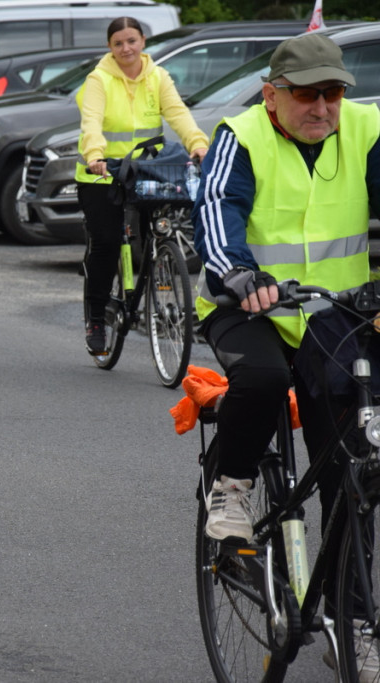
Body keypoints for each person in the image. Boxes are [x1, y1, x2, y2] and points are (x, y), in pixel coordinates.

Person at [194, 33, 380, 672]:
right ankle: (232, 490)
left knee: (352, 465)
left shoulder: (365, 128)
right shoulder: (240, 134)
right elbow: (218, 209)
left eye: (332, 93)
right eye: (307, 95)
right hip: (247, 305)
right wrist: (237, 273)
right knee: (265, 381)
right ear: (273, 95)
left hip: (332, 311)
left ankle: (354, 619)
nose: (323, 107)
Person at [75, 16, 208, 356]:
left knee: (153, 237)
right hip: (101, 174)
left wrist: (197, 143)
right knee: (106, 243)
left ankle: (149, 284)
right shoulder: (98, 79)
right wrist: (94, 154)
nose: (126, 48)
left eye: (131, 41)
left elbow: (178, 114)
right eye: (118, 43)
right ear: (110, 47)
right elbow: (91, 122)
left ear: (143, 41)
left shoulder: (158, 76)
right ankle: (96, 318)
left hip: (145, 172)